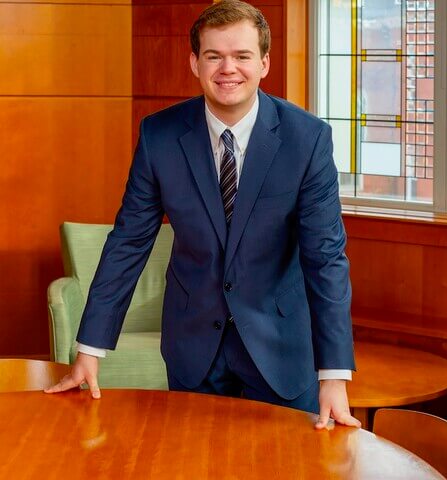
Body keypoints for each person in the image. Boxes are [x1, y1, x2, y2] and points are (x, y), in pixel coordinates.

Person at [46, 0, 360, 430]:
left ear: (264, 63)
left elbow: (325, 257)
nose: (227, 68)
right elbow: (130, 241)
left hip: (282, 350)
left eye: (242, 56)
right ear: (195, 62)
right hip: (194, 350)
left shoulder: (307, 139)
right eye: (214, 56)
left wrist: (335, 375)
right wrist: (90, 349)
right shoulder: (160, 135)